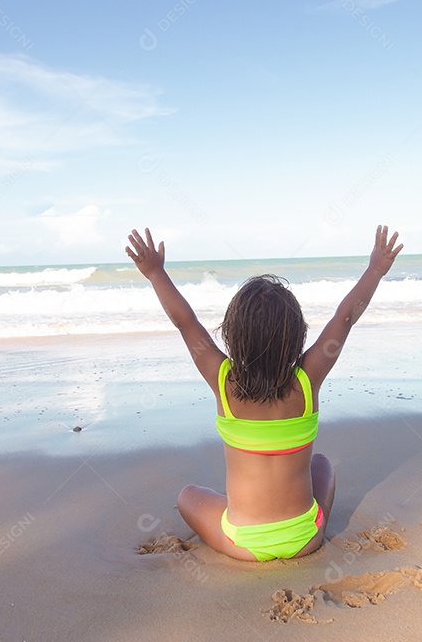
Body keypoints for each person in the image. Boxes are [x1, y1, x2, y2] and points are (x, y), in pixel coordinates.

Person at [125, 225, 403, 561]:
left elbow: (186, 322)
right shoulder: (307, 380)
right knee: (322, 465)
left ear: (233, 333)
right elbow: (344, 318)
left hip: (242, 545)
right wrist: (375, 270)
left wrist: (155, 273)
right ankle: (304, 523)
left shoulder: (223, 381)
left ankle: (251, 519)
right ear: (297, 334)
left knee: (188, 495)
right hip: (306, 538)